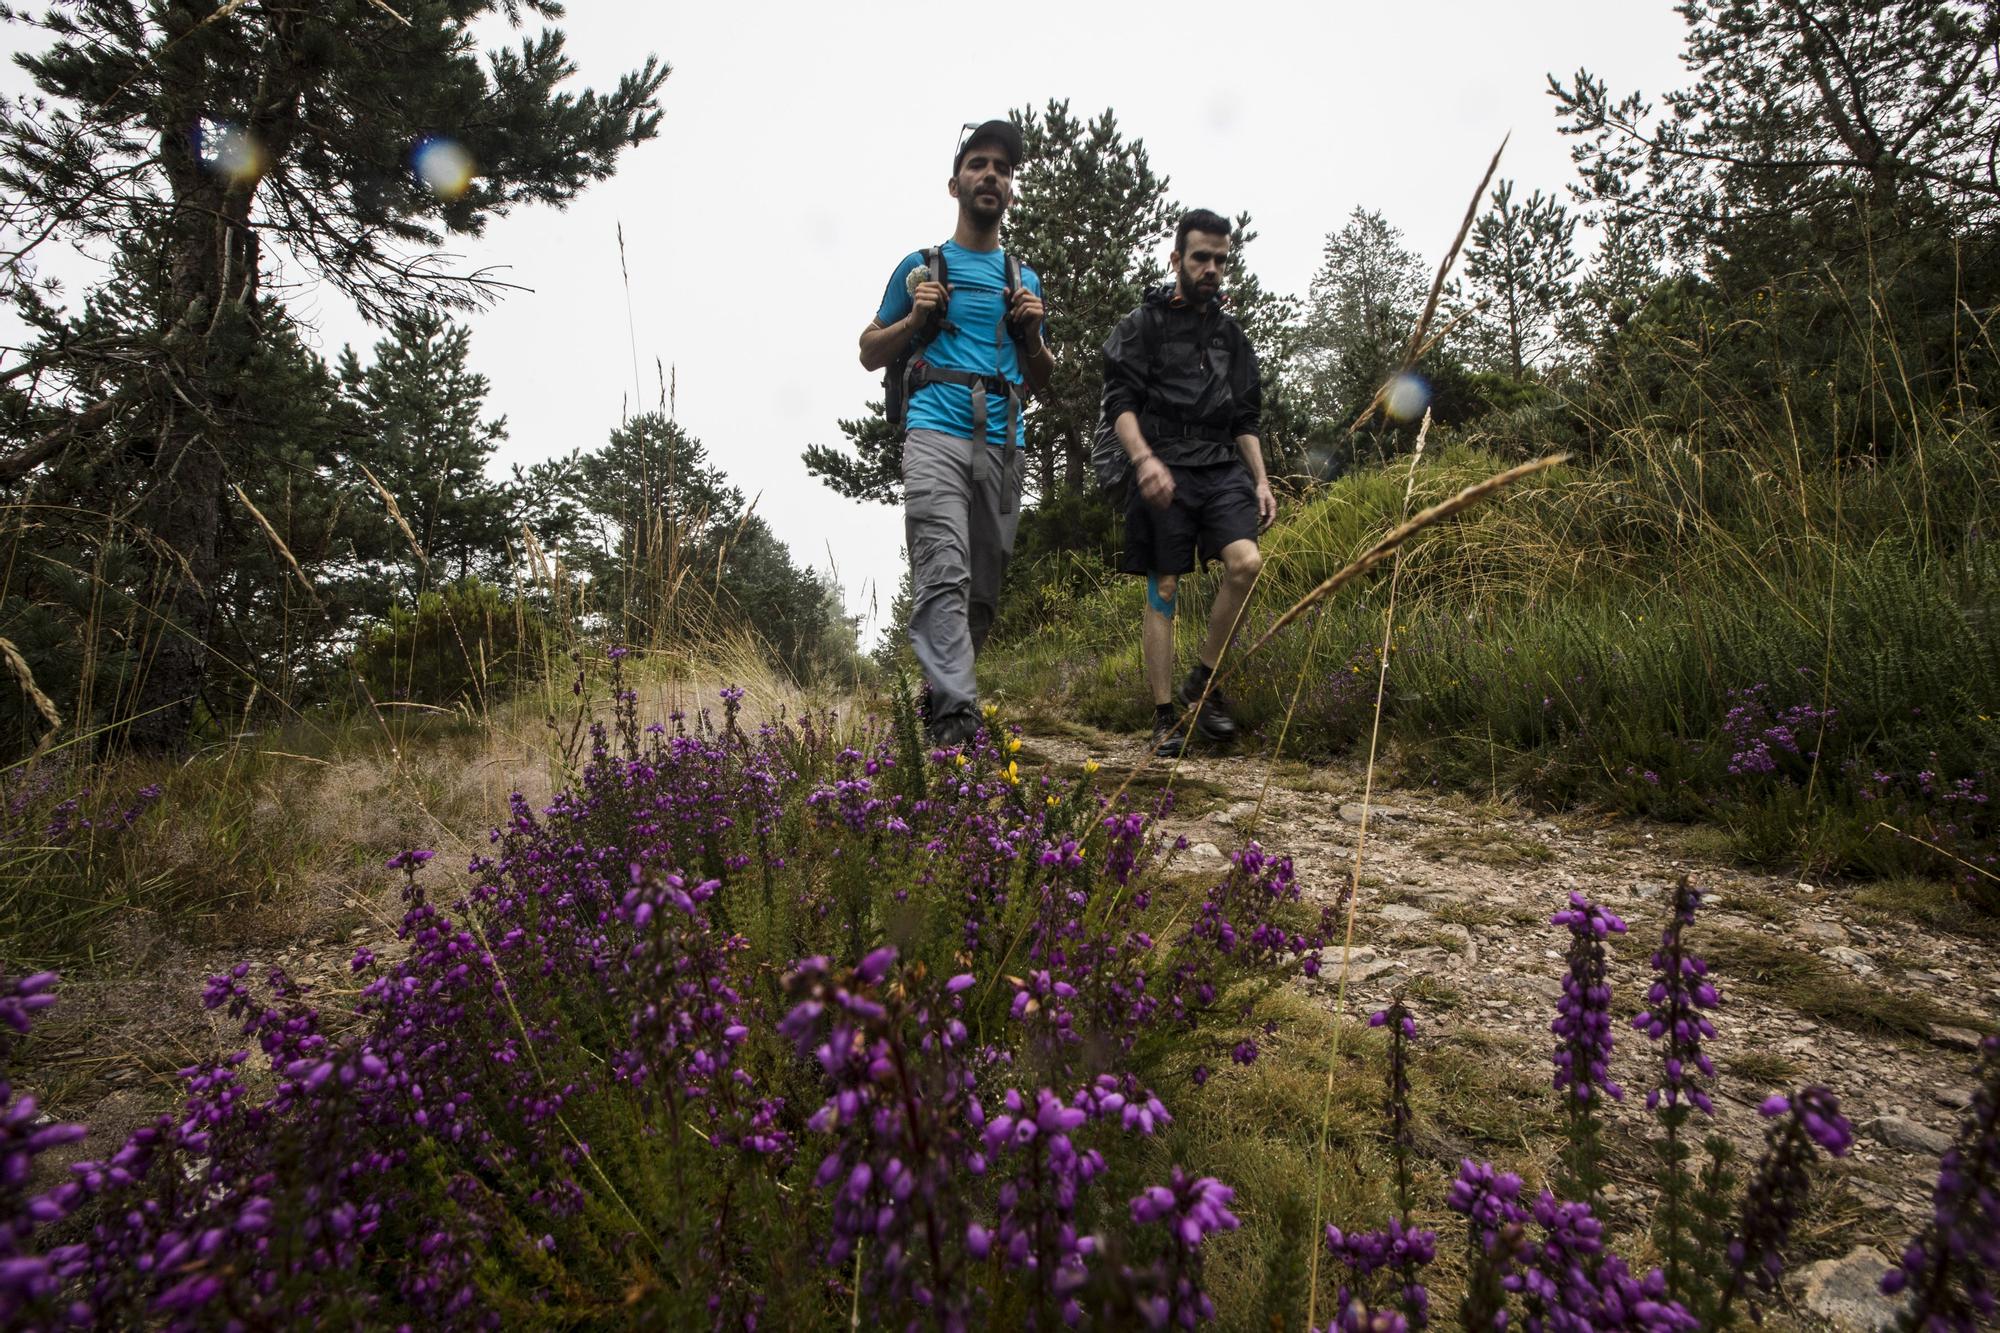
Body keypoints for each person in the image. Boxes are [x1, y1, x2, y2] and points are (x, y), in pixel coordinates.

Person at [860, 119, 1054, 747]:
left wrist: (1033, 334)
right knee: (944, 565)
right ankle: (955, 719)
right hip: (935, 432)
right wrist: (916, 316)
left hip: (1004, 441)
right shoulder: (920, 269)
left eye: (1002, 167)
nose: (991, 174)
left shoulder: (1024, 280)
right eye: (979, 164)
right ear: (955, 183)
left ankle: (942, 686)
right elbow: (868, 351)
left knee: (984, 587)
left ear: (1011, 190)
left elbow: (1041, 377)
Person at [1101, 207, 1276, 758]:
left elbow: (1245, 417)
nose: (1212, 269)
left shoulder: (1229, 335)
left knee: (1246, 563)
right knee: (1165, 588)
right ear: (1177, 258)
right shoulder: (1142, 326)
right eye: (1201, 257)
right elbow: (1120, 404)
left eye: (1221, 259)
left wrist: (1262, 480)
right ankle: (1163, 718)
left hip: (1220, 465)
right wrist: (1144, 460)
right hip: (1162, 464)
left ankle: (1202, 683)